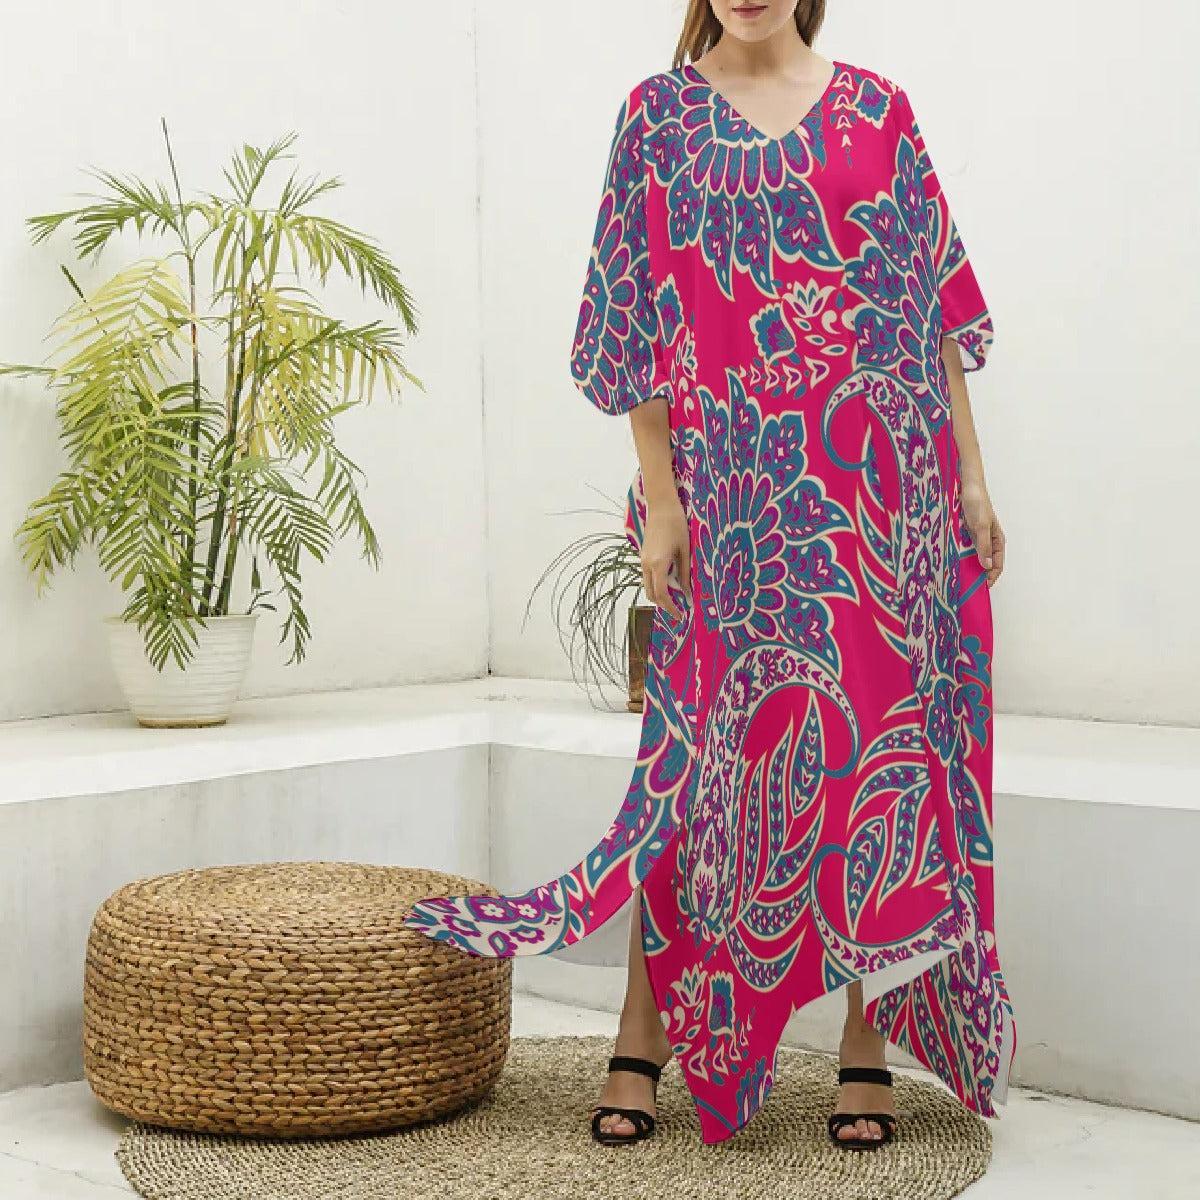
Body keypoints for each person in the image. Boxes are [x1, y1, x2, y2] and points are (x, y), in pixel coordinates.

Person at [405, 0, 1016, 1152]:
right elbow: (633, 317)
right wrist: (664, 495)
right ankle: (642, 1031)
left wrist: (971, 480)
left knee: (877, 757)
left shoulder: (880, 113)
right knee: (693, 771)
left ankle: (865, 1043)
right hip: (733, 494)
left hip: (881, 499)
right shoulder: (659, 118)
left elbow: (932, 307)